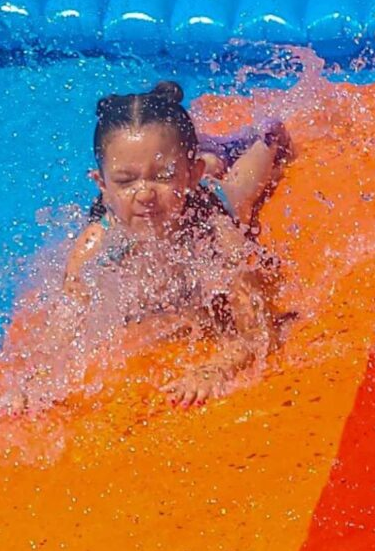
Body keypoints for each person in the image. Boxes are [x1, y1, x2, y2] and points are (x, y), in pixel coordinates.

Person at [56, 81, 291, 408]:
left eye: (162, 176)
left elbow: (258, 331)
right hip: (185, 177)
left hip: (206, 196)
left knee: (249, 179)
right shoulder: (96, 243)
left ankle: (263, 138)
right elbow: (61, 332)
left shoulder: (216, 230)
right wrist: (36, 381)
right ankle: (199, 159)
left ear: (191, 176)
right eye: (125, 181)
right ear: (102, 185)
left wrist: (216, 370)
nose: (144, 194)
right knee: (196, 163)